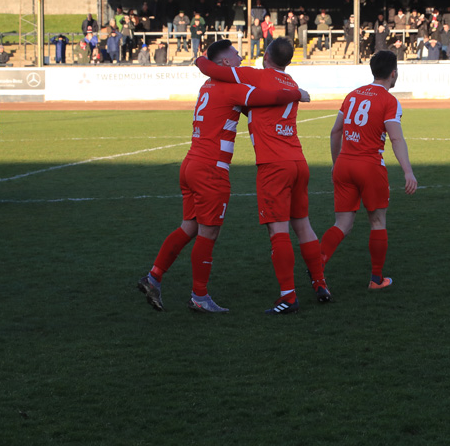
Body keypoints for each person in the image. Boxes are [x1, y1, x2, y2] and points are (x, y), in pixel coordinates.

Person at [138, 40, 309, 314]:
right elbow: (272, 97)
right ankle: (199, 296)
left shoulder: (207, 86)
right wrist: (298, 93)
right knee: (208, 233)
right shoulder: (233, 89)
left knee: (189, 227)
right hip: (211, 168)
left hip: (191, 163)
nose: (241, 57)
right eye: (236, 54)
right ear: (226, 62)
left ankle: (154, 276)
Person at [195, 38, 330, 314]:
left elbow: (212, 69)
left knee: (278, 230)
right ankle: (320, 283)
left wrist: (197, 58)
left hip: (274, 165)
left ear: (266, 55)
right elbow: (259, 106)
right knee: (303, 225)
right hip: (298, 161)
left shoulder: (256, 76)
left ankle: (288, 297)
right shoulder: (291, 82)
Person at [318, 51, 417, 289]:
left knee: (342, 224)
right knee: (377, 221)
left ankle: (316, 267)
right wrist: (408, 171)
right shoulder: (389, 101)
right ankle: (376, 279)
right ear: (393, 73)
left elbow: (335, 131)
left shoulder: (352, 95)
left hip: (344, 164)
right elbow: (396, 138)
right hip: (370, 166)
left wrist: (335, 163)